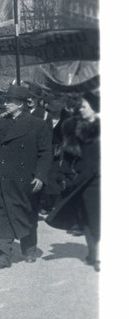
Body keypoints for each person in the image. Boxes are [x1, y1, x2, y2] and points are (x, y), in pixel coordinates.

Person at [0, 84, 52, 268]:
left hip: (28, 178)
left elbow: (45, 153)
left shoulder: (37, 124)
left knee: (28, 213)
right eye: (6, 100)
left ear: (21, 104)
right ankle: (4, 253)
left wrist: (40, 175)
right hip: (3, 178)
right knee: (4, 212)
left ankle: (29, 248)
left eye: (10, 101)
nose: (6, 103)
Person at [45, 91, 100, 270]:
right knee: (89, 217)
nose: (81, 110)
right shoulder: (76, 126)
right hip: (85, 179)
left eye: (84, 107)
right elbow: (68, 154)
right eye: (80, 107)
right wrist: (62, 174)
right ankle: (94, 255)